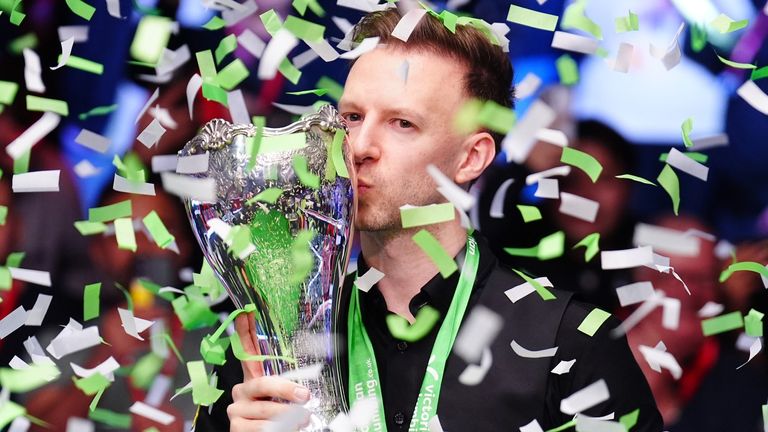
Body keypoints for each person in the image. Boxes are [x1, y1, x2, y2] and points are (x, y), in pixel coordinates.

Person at [194, 7, 662, 432]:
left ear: (471, 158)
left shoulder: (571, 343)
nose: (359, 147)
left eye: (403, 124)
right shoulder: (269, 346)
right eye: (353, 117)